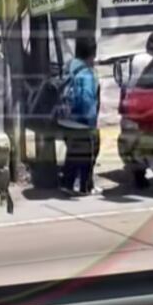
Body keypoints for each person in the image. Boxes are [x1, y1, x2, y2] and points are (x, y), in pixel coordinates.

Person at [59, 37, 101, 195]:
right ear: (92, 54)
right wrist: (91, 124)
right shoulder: (87, 73)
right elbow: (87, 99)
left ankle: (67, 184)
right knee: (86, 154)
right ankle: (84, 187)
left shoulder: (68, 66)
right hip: (81, 121)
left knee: (73, 153)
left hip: (65, 118)